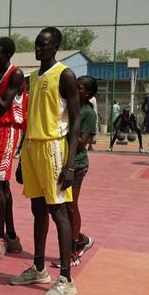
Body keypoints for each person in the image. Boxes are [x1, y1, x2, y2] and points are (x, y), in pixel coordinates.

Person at [11, 27, 80, 295]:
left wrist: (71, 163)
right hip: (31, 148)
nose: (39, 48)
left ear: (56, 47)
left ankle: (66, 278)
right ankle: (39, 268)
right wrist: (20, 156)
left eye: (45, 44)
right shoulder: (31, 77)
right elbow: (29, 118)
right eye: (37, 44)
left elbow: (74, 123)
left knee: (58, 211)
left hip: (53, 147)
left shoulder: (65, 75)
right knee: (37, 208)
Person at [0, 37, 27, 261]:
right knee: (2, 185)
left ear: (8, 55)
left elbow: (2, 107)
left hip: (7, 129)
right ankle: (12, 236)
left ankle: (0, 238)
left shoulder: (16, 75)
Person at [56, 75, 97, 268]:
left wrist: (59, 135)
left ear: (87, 94)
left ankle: (73, 250)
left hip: (77, 164)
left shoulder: (87, 113)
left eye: (79, 87)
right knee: (61, 206)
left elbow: (81, 141)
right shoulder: (66, 105)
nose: (74, 88)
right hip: (61, 160)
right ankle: (80, 239)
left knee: (71, 205)